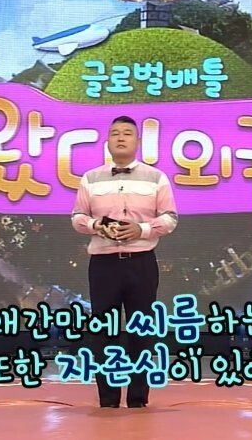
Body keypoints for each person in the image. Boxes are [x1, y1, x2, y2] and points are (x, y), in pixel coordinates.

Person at [71, 116, 178, 408]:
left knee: (140, 331)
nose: (121, 138)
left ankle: (138, 398)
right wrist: (95, 225)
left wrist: (140, 230)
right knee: (103, 331)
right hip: (103, 265)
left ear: (137, 141)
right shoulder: (91, 178)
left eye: (127, 133)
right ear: (107, 141)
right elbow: (77, 217)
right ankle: (107, 399)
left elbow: (170, 218)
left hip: (141, 262)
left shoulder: (156, 177)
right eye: (115, 133)